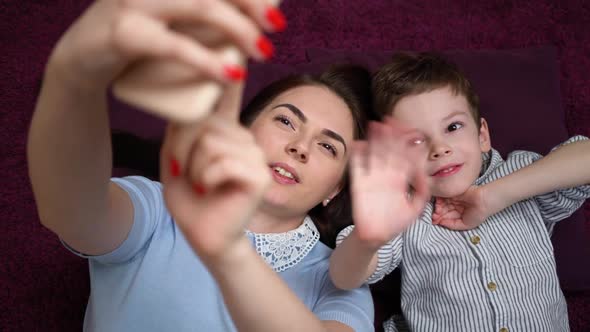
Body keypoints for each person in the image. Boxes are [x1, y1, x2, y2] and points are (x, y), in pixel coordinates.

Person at [27, 0, 383, 331]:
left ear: (335, 189)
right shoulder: (160, 207)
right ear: (242, 131)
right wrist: (73, 78)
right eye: (286, 122)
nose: (299, 147)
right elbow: (72, 210)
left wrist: (227, 250)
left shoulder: (339, 283)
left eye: (327, 146)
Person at [329, 52, 590, 332]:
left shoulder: (520, 174)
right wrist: (369, 237)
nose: (439, 148)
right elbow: (344, 277)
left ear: (482, 136)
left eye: (453, 127)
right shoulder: (403, 211)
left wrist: (495, 195)